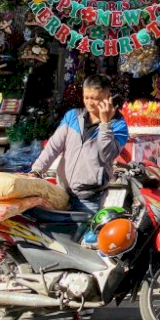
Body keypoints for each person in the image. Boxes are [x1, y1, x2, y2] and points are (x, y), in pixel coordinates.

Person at [30, 75, 129, 215]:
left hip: (90, 199)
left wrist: (105, 124)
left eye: (94, 98)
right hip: (62, 193)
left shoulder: (119, 125)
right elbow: (53, 147)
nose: (89, 103)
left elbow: (106, 155)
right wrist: (37, 170)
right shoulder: (72, 116)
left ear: (107, 97)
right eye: (86, 97)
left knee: (87, 230)